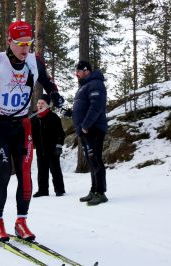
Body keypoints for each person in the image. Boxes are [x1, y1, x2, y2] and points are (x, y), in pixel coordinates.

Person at [0, 20, 64, 241]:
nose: (24, 48)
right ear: (9, 41)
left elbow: (48, 83)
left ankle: (21, 222)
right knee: (2, 171)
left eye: (28, 43)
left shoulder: (34, 61)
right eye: (20, 43)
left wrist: (54, 94)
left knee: (25, 175)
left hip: (22, 125)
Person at [69, 60, 108, 206]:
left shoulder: (96, 84)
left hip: (94, 129)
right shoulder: (85, 86)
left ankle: (101, 192)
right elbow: (84, 107)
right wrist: (72, 113)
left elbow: (96, 107)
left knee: (96, 160)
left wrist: (85, 125)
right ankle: (94, 190)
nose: (76, 74)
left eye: (78, 71)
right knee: (92, 162)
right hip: (86, 130)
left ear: (86, 71)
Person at [31, 94, 66, 197]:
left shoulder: (53, 117)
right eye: (38, 103)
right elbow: (30, 132)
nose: (40, 105)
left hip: (52, 148)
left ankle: (59, 189)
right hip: (40, 148)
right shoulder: (34, 117)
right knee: (42, 170)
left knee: (55, 169)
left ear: (47, 105)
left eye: (42, 103)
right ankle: (42, 190)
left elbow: (60, 133)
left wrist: (59, 145)